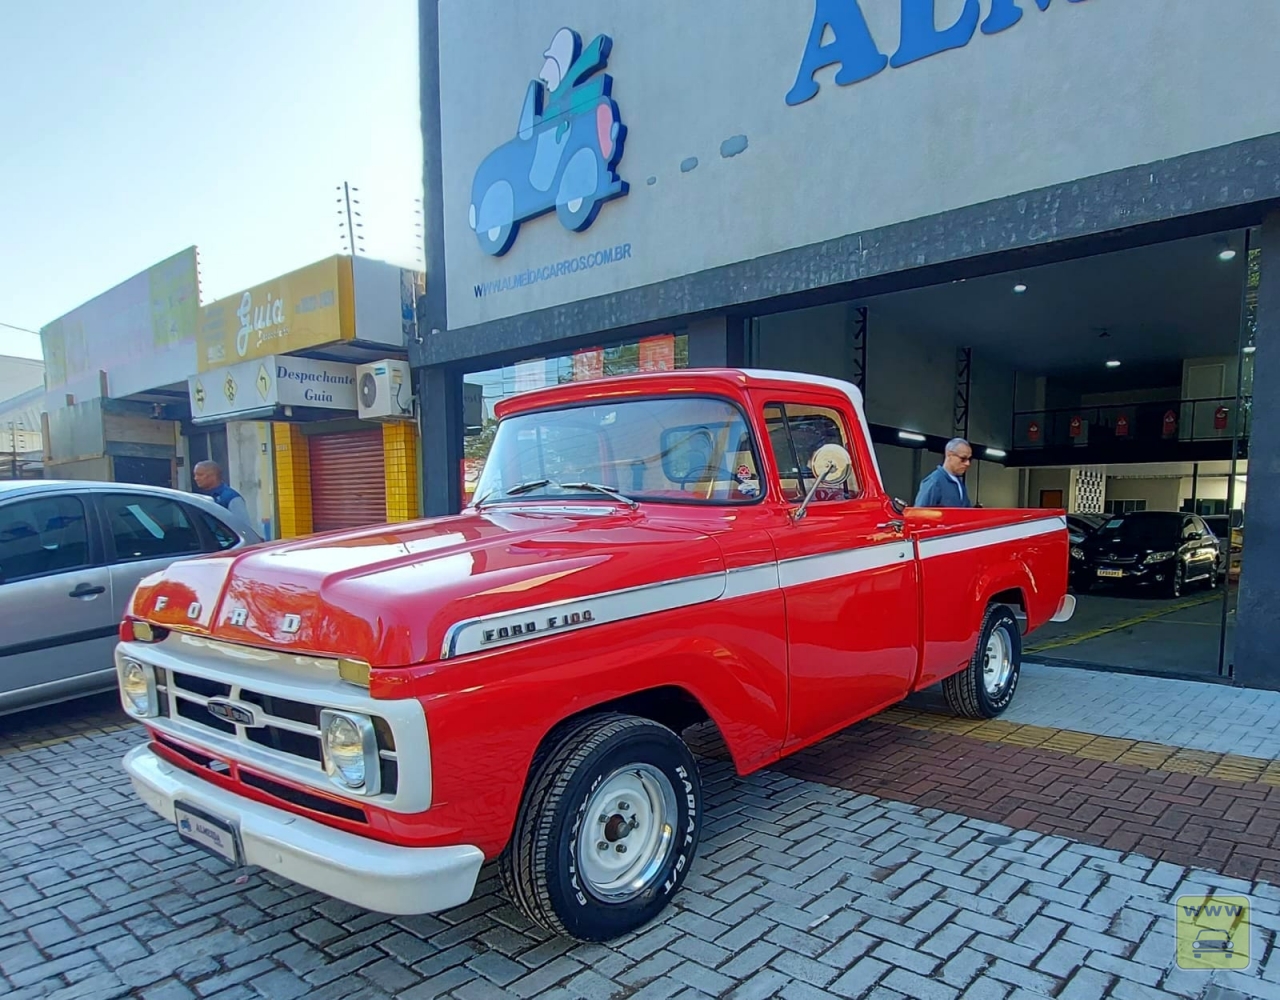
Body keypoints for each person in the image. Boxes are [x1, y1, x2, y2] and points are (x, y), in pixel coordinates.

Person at [915, 438, 975, 507]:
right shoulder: (934, 482)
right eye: (963, 459)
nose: (967, 463)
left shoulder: (958, 483)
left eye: (969, 459)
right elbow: (919, 514)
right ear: (949, 455)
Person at [192, 461, 252, 529]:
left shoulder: (231, 497)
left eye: (200, 475)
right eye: (195, 475)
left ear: (213, 476)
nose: (196, 478)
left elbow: (244, 527)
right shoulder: (198, 496)